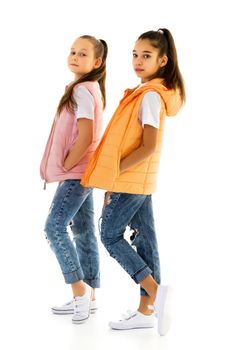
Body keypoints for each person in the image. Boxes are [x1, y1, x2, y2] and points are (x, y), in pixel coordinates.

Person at [81, 28, 185, 335]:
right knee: (145, 240)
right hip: (141, 181)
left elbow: (149, 145)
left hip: (130, 180)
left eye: (147, 56)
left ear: (163, 61)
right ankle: (146, 310)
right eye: (135, 54)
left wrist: (115, 175)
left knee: (109, 235)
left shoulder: (150, 96)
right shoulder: (146, 93)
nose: (138, 61)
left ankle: (154, 291)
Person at [40, 35, 108, 324]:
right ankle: (89, 296)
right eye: (72, 51)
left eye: (83, 54)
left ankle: (79, 290)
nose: (75, 56)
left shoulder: (81, 90)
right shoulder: (87, 87)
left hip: (76, 172)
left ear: (96, 63)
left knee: (54, 227)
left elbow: (87, 133)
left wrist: (67, 163)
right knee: (82, 230)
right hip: (84, 171)